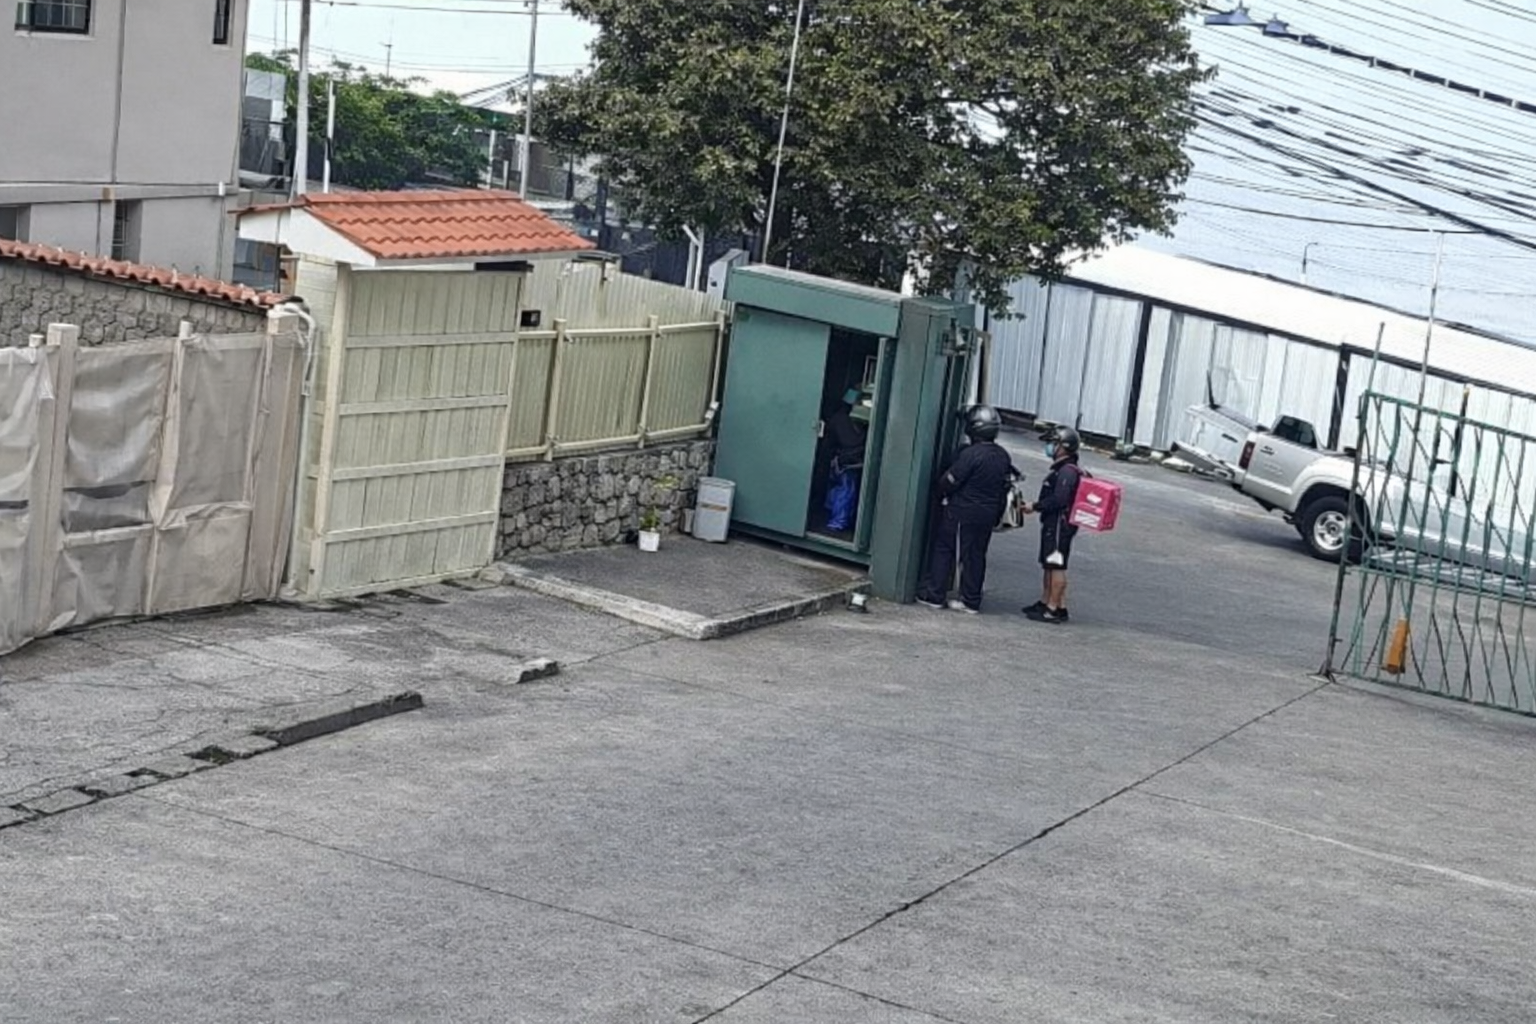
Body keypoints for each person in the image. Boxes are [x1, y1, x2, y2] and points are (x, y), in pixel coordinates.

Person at [916, 405, 1015, 614]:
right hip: (987, 514)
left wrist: (939, 491)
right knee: (976, 555)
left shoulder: (970, 454)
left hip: (962, 512)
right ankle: (971, 599)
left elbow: (950, 480)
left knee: (945, 550)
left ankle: (935, 595)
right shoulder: (1002, 456)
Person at [1023, 425, 1083, 624]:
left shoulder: (1067, 471)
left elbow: (1059, 500)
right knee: (1049, 564)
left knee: (1057, 566)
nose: (1049, 447)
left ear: (1063, 446)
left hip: (1060, 525)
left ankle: (1052, 609)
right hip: (1053, 524)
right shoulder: (1062, 469)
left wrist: (1035, 506)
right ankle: (1048, 602)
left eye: (1052, 443)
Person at [823, 388, 868, 532]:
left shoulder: (837, 418)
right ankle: (838, 521)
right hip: (850, 461)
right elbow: (855, 441)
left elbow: (830, 440)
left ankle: (834, 518)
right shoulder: (857, 420)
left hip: (839, 459)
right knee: (846, 491)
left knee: (837, 489)